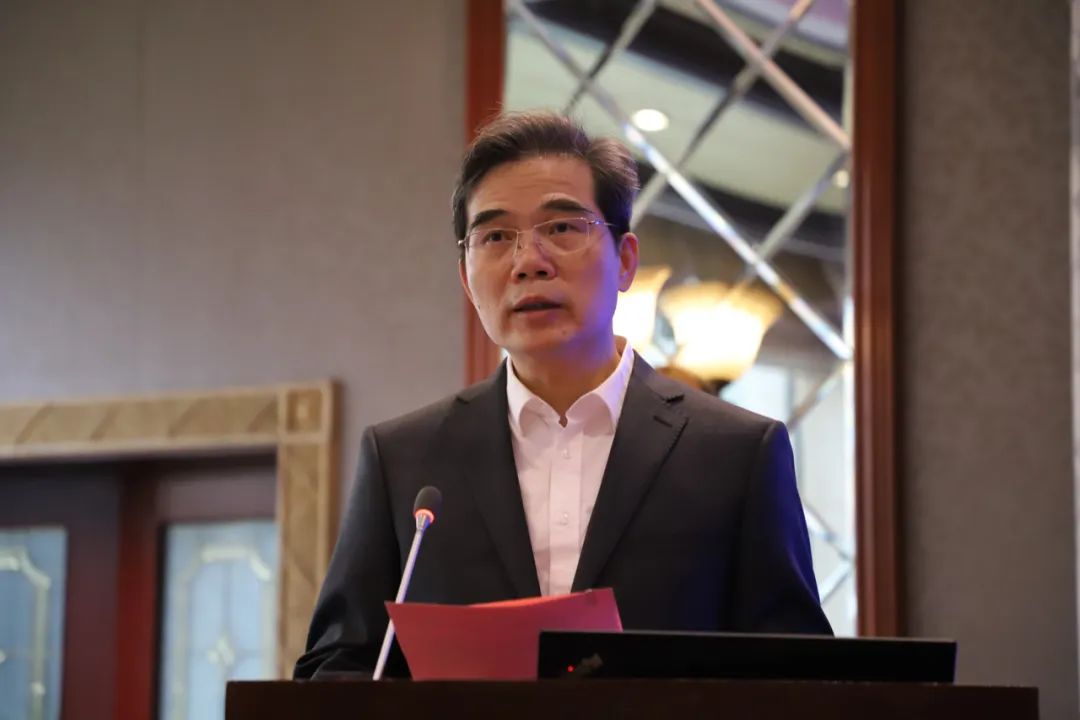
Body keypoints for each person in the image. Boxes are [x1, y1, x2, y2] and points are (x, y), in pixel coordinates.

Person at [294, 112, 831, 679]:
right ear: (466, 278)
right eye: (495, 237)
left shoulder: (737, 454)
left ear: (625, 260)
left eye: (562, 229)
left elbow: (798, 677)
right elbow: (336, 668)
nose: (529, 262)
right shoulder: (403, 462)